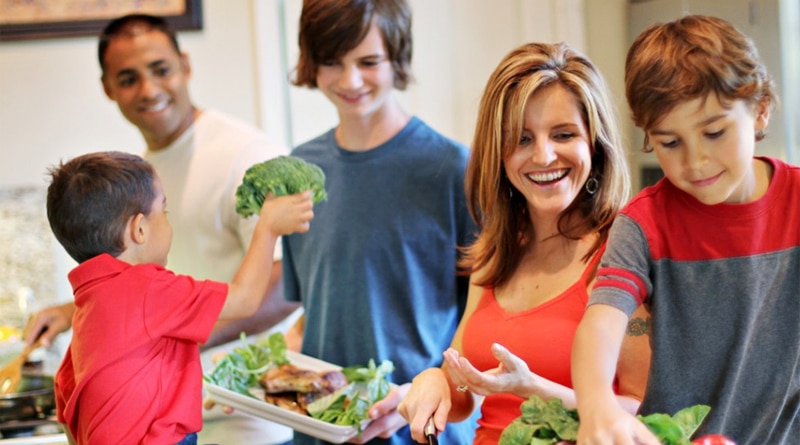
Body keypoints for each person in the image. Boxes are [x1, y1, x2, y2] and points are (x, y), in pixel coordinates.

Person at [23, 13, 301, 445]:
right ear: (107, 87)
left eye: (161, 70)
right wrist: (80, 315)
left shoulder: (245, 155)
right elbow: (143, 290)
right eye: (129, 78)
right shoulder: (138, 182)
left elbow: (291, 282)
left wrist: (160, 334)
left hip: (248, 425)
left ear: (185, 65)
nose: (150, 90)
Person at [396, 42, 651, 444]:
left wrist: (534, 388)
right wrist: (433, 381)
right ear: (498, 153)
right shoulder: (497, 252)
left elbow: (642, 409)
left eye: (563, 134)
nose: (544, 156)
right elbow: (464, 386)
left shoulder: (623, 251)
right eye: (522, 139)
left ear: (596, 145)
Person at [571, 15, 795, 445]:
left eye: (714, 132)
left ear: (760, 109)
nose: (696, 162)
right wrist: (597, 405)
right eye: (670, 143)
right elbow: (601, 321)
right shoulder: (643, 224)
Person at [281, 0, 479, 443]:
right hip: (320, 429)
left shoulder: (453, 169)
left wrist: (419, 392)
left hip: (425, 428)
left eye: (368, 62)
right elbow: (310, 316)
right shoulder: (300, 171)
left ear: (398, 58)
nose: (350, 80)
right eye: (332, 62)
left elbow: (483, 320)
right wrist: (246, 377)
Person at [46, 151, 313, 445]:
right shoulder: (147, 288)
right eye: (165, 211)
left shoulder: (87, 309)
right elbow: (246, 300)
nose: (168, 222)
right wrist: (268, 228)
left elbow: (66, 396)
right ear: (140, 229)